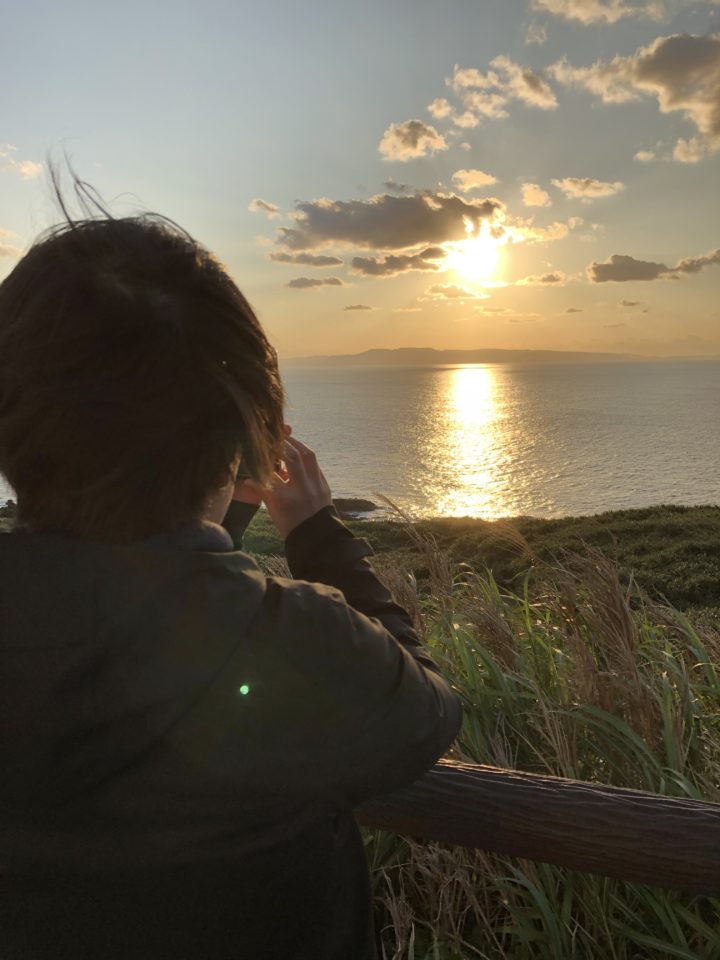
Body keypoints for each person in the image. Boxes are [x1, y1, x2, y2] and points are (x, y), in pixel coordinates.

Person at [0, 178, 463, 959]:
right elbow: (425, 708)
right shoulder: (298, 649)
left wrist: (221, 511)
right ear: (240, 436)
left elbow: (140, 578)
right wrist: (315, 533)